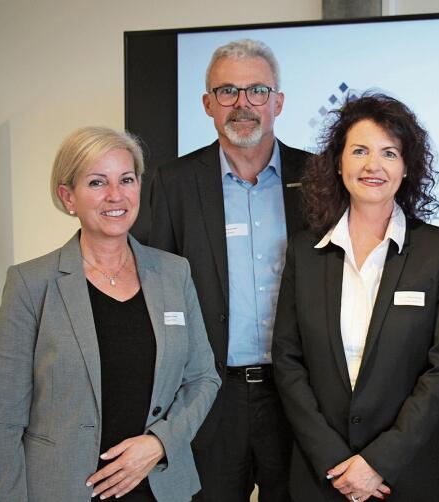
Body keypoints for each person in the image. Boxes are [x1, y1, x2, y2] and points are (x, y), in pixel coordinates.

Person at [0, 126, 221, 501]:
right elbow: (2, 422)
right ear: (67, 196)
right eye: (96, 182)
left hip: (158, 486)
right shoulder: (31, 284)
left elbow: (203, 378)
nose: (115, 195)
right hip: (63, 489)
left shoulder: (174, 272)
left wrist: (160, 442)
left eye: (126, 179)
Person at [273, 93, 439, 502]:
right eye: (359, 151)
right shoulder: (305, 252)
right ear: (338, 162)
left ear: (406, 166)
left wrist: (378, 461)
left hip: (410, 474)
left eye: (389, 153)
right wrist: (334, 461)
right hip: (323, 476)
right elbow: (288, 363)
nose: (372, 165)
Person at [144, 39, 311, 502]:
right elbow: (159, 292)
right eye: (227, 92)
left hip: (296, 397)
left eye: (257, 90)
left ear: (278, 101)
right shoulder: (174, 182)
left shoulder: (318, 177)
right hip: (210, 397)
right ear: (207, 105)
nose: (243, 104)